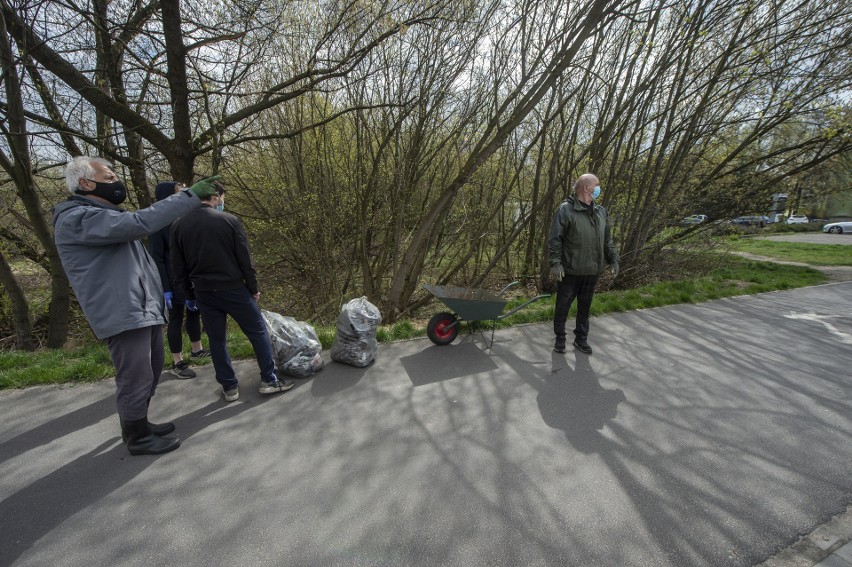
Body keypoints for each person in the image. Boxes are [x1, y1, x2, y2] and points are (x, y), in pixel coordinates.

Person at [52, 156, 219, 455]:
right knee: (135, 375)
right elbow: (141, 223)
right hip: (121, 311)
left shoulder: (104, 216)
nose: (117, 181)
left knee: (152, 368)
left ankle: (140, 422)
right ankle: (137, 436)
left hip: (141, 309)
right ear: (86, 183)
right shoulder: (78, 218)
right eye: (110, 176)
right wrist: (189, 197)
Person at [170, 181, 294, 402]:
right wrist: (253, 288)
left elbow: (178, 267)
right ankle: (269, 379)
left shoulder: (179, 226)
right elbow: (245, 259)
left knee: (217, 340)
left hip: (205, 292)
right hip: (234, 288)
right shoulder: (229, 221)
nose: (223, 201)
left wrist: (190, 294)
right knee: (257, 332)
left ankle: (229, 387)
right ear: (215, 197)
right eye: (222, 197)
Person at [548, 173, 619, 355]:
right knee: (562, 307)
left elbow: (607, 240)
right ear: (586, 188)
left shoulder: (601, 212)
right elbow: (555, 239)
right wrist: (556, 263)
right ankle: (560, 340)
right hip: (571, 271)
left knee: (585, 308)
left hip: (592, 270)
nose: (598, 188)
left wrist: (613, 259)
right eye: (596, 185)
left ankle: (581, 339)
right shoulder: (566, 210)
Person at [148, 181, 210, 379]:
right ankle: (177, 362)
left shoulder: (184, 217)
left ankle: (197, 349)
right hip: (173, 280)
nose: (183, 193)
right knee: (175, 319)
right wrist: (165, 288)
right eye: (178, 191)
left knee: (194, 312)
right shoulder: (157, 223)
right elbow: (157, 258)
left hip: (190, 276)